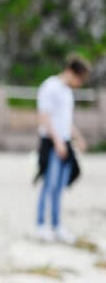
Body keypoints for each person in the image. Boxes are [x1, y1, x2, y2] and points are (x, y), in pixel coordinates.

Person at [34, 54, 91, 244]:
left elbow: (65, 121)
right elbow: (44, 118)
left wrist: (78, 137)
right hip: (51, 143)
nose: (79, 83)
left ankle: (57, 225)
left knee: (59, 187)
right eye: (79, 78)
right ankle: (41, 224)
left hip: (64, 142)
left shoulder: (67, 92)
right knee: (49, 184)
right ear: (70, 72)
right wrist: (57, 141)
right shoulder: (50, 87)